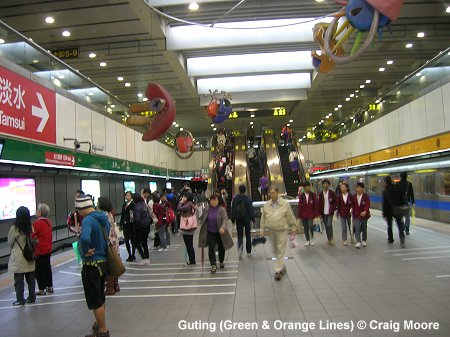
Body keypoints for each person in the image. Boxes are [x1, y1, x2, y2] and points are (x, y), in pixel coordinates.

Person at [76, 195, 110, 337]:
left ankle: (102, 330)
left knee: (95, 300)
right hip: (102, 262)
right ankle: (100, 324)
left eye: (77, 209)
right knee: (100, 297)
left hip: (91, 264)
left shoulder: (88, 220)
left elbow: (84, 238)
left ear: (82, 208)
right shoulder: (103, 218)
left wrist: (84, 251)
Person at [260, 187, 297, 280]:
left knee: (281, 249)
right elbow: (263, 218)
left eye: (273, 193)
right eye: (270, 193)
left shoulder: (284, 204)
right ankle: (282, 266)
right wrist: (262, 229)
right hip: (272, 231)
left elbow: (290, 216)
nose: (272, 195)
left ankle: (277, 271)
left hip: (282, 230)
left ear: (277, 193)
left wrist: (293, 227)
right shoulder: (267, 205)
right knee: (275, 250)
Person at [8, 206, 36, 306]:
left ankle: (20, 299)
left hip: (18, 257)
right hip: (29, 256)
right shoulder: (30, 227)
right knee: (31, 279)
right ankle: (32, 297)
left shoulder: (14, 228)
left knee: (19, 280)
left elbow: (10, 242)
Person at [198, 194, 228, 273]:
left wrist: (222, 227)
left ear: (218, 201)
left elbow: (225, 219)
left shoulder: (222, 209)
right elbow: (202, 218)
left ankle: (221, 261)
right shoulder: (207, 209)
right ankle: (213, 264)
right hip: (210, 232)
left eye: (215, 200)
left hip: (220, 232)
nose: (213, 202)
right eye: (212, 200)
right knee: (211, 247)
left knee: (221, 247)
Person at [97, 197, 120, 296]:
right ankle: (115, 284)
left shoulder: (103, 215)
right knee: (113, 264)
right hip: (114, 241)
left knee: (108, 266)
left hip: (108, 242)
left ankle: (110, 287)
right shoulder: (110, 214)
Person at [32, 203, 53, 296]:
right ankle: (50, 286)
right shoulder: (48, 223)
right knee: (47, 267)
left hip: (40, 250)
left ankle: (41, 289)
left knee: (39, 270)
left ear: (40, 213)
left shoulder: (36, 224)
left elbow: (32, 236)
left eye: (37, 210)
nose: (36, 212)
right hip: (48, 248)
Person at [231, 185, 255, 259]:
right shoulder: (248, 199)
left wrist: (233, 219)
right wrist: (253, 219)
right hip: (246, 219)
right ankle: (248, 251)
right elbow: (251, 210)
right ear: (245, 190)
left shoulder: (235, 199)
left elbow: (233, 209)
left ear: (239, 190)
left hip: (239, 219)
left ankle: (240, 249)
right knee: (248, 235)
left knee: (240, 235)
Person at [382, 177, 405, 248]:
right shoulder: (397, 188)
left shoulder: (385, 191)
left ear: (386, 182)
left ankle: (390, 239)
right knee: (400, 225)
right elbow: (402, 199)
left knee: (390, 225)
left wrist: (384, 213)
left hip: (389, 211)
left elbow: (385, 203)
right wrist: (402, 208)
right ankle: (402, 239)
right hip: (397, 209)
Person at [177, 192, 197, 265]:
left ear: (187, 197)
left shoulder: (188, 204)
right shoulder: (191, 204)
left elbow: (179, 208)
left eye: (184, 197)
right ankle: (192, 259)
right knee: (189, 244)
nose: (183, 198)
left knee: (188, 244)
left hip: (187, 227)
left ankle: (192, 260)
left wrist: (181, 202)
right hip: (191, 227)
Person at [132, 193, 151, 265]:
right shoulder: (144, 205)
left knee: (136, 242)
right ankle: (147, 258)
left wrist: (136, 227)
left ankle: (143, 258)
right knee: (144, 242)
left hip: (140, 227)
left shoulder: (137, 207)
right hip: (147, 226)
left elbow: (137, 219)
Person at [297, 182, 318, 246]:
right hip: (303, 215)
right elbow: (300, 206)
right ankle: (307, 240)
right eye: (306, 186)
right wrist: (299, 216)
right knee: (305, 228)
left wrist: (316, 214)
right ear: (304, 188)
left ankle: (312, 238)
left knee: (310, 226)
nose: (308, 187)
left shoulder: (313, 195)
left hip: (311, 214)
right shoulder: (302, 196)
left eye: (309, 186)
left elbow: (316, 205)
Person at [318, 179, 337, 245]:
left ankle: (331, 239)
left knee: (329, 224)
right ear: (322, 185)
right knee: (326, 226)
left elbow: (335, 202)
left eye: (327, 184)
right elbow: (319, 204)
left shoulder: (332, 193)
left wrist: (333, 208)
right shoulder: (320, 194)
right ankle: (329, 239)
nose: (325, 185)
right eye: (324, 184)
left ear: (329, 185)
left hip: (330, 212)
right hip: (323, 213)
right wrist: (319, 213)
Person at [352, 182, 371, 249]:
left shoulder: (365, 196)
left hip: (364, 215)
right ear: (356, 189)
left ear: (363, 189)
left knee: (364, 227)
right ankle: (358, 241)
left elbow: (367, 204)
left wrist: (365, 211)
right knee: (357, 228)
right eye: (357, 188)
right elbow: (352, 205)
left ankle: (364, 240)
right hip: (356, 215)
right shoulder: (354, 196)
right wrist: (351, 209)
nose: (359, 189)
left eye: (360, 188)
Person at [119, 191, 136, 262]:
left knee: (132, 240)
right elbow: (122, 215)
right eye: (126, 195)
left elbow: (132, 216)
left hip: (131, 226)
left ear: (131, 196)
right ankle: (129, 254)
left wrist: (131, 223)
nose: (127, 197)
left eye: (128, 195)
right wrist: (121, 224)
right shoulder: (124, 204)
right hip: (125, 225)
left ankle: (133, 254)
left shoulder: (132, 204)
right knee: (126, 240)